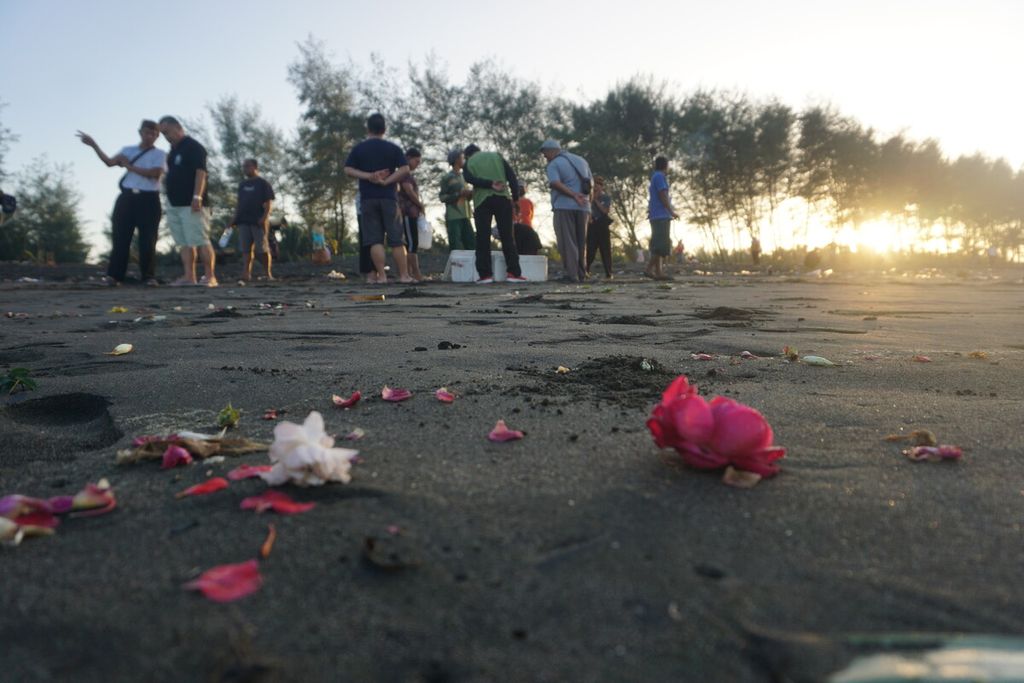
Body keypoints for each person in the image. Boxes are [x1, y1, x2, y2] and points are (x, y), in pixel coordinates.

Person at [77, 120, 165, 286]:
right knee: (120, 237)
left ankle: (148, 276)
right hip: (127, 197)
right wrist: (94, 145)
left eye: (154, 134)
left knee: (148, 239)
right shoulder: (128, 150)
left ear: (157, 136)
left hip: (149, 199)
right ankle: (114, 276)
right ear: (140, 132)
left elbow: (155, 173)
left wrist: (129, 166)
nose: (150, 136)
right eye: (147, 132)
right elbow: (109, 162)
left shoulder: (159, 154)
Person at [343, 113, 412, 284]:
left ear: (368, 129)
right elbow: (405, 169)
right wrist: (387, 180)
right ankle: (403, 275)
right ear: (384, 129)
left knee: (375, 239)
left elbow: (348, 170)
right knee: (397, 239)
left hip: (368, 198)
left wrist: (369, 176)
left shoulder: (359, 149)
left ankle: (381, 276)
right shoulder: (392, 148)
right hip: (389, 197)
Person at [158, 116, 218, 287]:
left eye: (167, 132)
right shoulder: (173, 151)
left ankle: (210, 276)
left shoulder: (193, 147)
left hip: (192, 202)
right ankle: (189, 276)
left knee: (200, 239)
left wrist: (197, 196)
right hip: (174, 203)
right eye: (163, 134)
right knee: (183, 242)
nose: (166, 136)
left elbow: (201, 172)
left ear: (178, 127)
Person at [462, 144, 526, 284]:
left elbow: (468, 179)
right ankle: (513, 273)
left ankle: (485, 275)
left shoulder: (469, 162)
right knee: (507, 236)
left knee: (482, 237)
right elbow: (512, 177)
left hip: (481, 201)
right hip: (503, 199)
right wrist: (515, 199)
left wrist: (488, 184)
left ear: (467, 155)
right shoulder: (497, 157)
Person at [541, 139, 592, 283]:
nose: (545, 157)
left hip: (564, 206)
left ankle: (572, 275)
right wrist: (588, 205)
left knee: (567, 241)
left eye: (545, 154)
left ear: (551, 150)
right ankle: (582, 274)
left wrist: (573, 195)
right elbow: (591, 183)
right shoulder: (581, 160)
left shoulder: (554, 164)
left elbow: (555, 183)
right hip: (584, 207)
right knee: (582, 242)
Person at [228, 158, 275, 281]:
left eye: (247, 166)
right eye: (244, 166)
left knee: (262, 249)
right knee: (245, 249)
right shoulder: (242, 185)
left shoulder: (263, 183)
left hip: (258, 221)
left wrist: (264, 218)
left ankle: (267, 273)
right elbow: (239, 204)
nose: (245, 169)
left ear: (255, 167)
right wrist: (234, 219)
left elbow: (269, 203)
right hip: (243, 221)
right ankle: (246, 273)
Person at [646, 155, 678, 280]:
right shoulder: (660, 177)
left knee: (657, 245)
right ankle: (649, 269)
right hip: (661, 215)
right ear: (666, 165)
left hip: (656, 215)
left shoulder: (655, 177)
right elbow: (662, 195)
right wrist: (671, 211)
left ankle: (659, 272)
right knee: (661, 246)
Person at [438, 149, 475, 251]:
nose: (464, 160)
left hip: (466, 215)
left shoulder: (464, 177)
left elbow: (467, 197)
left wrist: (470, 194)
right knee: (455, 246)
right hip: (453, 216)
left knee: (471, 244)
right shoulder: (447, 177)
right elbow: (442, 197)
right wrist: (458, 194)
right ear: (456, 160)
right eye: (462, 158)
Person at [398, 147, 425, 281]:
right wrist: (420, 204)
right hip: (408, 212)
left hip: (411, 213)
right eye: (416, 161)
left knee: (411, 243)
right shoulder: (405, 174)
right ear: (408, 158)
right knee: (411, 244)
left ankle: (410, 273)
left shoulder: (406, 173)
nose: (417, 165)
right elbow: (408, 190)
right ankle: (415, 273)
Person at [586, 176, 613, 278]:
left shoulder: (606, 198)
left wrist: (596, 200)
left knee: (605, 249)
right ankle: (586, 269)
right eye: (595, 185)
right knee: (590, 249)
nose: (596, 187)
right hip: (592, 225)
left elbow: (605, 211)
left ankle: (608, 272)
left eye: (598, 185)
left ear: (602, 187)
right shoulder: (588, 198)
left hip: (602, 224)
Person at [513, 182, 542, 256]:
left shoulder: (529, 202)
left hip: (528, 231)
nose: (520, 189)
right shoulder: (511, 201)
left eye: (522, 187)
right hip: (515, 230)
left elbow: (531, 216)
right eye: (518, 187)